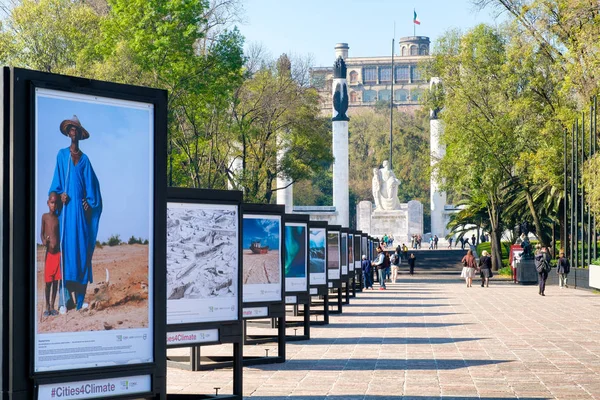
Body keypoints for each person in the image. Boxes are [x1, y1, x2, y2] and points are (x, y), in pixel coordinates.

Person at [49, 116, 102, 313]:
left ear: (80, 134)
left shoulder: (85, 159)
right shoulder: (61, 156)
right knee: (67, 253)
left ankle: (80, 301)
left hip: (80, 214)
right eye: (71, 129)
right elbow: (55, 184)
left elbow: (93, 185)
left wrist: (89, 201)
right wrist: (59, 195)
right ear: (68, 132)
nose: (73, 132)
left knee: (81, 252)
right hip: (66, 212)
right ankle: (64, 301)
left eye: (76, 130)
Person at [41, 192, 62, 317]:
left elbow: (59, 235)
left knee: (55, 282)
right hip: (49, 254)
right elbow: (41, 234)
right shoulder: (45, 217)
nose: (53, 205)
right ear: (48, 203)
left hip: (57, 254)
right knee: (48, 282)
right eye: (52, 202)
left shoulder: (58, 219)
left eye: (55, 203)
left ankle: (53, 306)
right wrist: (44, 241)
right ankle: (47, 307)